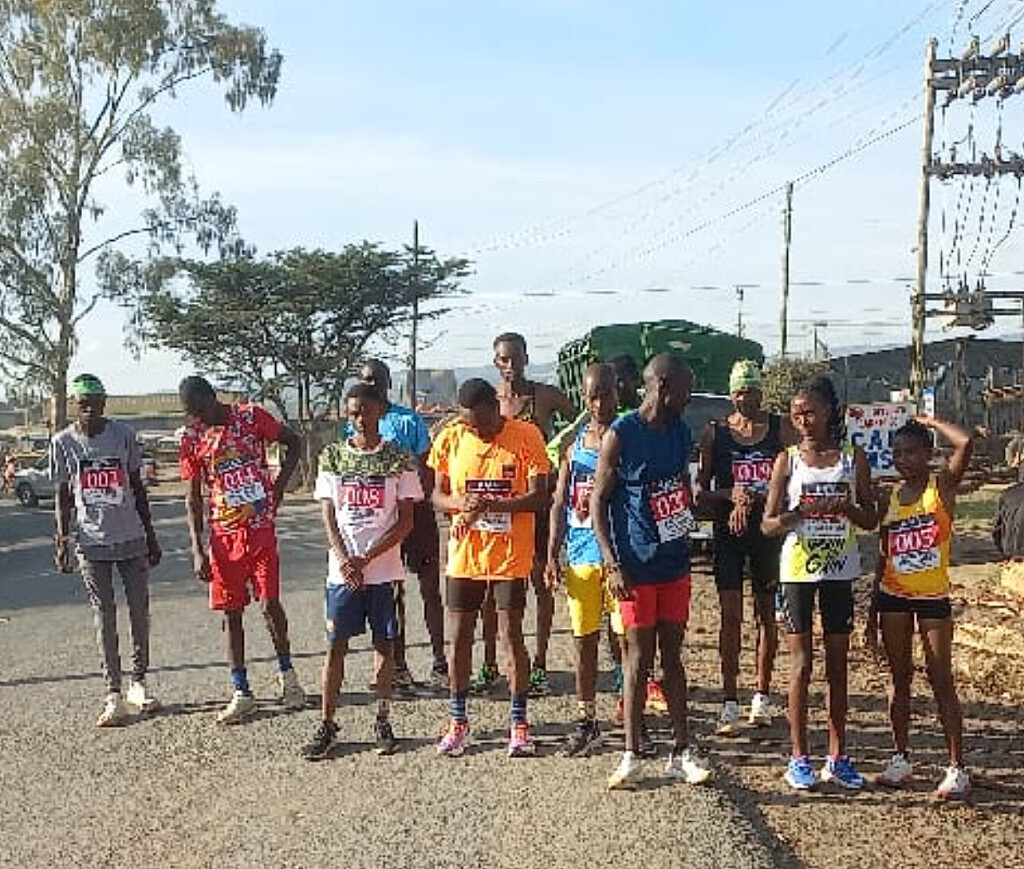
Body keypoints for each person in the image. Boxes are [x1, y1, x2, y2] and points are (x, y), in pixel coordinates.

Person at [592, 354, 712, 790]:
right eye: (686, 388)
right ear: (662, 386)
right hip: (634, 566)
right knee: (638, 659)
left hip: (674, 562)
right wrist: (612, 564)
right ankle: (631, 754)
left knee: (673, 658)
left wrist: (697, 509)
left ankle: (681, 752)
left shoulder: (680, 430)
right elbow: (597, 503)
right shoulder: (621, 434)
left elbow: (679, 488)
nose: (690, 397)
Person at [762, 375, 876, 791]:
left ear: (829, 411)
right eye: (796, 415)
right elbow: (768, 524)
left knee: (838, 665)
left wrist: (846, 507)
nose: (803, 421)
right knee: (801, 664)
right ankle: (798, 758)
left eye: (810, 412)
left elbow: (871, 518)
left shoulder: (852, 458)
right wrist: (803, 513)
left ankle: (838, 755)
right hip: (798, 571)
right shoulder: (788, 460)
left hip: (839, 571)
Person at [428, 378, 550, 757]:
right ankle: (458, 720)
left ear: (495, 408)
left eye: (480, 422)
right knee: (459, 637)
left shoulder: (526, 435)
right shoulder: (451, 437)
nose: (475, 430)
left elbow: (540, 496)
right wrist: (459, 503)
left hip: (510, 554)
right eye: (468, 423)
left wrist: (492, 506)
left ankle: (519, 723)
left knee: (511, 634)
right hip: (465, 553)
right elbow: (436, 494)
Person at [302, 383, 423, 760]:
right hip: (342, 574)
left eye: (366, 411)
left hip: (383, 572)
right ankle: (327, 723)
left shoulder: (399, 458)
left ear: (380, 411)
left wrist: (366, 558)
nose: (359, 419)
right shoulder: (332, 457)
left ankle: (382, 718)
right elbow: (329, 515)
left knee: (384, 645)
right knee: (335, 647)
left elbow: (405, 521)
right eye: (353, 412)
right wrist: (345, 559)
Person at [178, 375, 306, 724]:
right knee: (231, 612)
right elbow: (193, 497)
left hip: (260, 529)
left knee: (269, 603)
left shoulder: (251, 416)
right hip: (223, 536)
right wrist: (197, 548)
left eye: (198, 409)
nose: (196, 417)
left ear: (211, 397)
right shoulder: (192, 437)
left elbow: (293, 443)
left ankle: (289, 677)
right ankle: (241, 691)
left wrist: (278, 488)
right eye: (190, 412)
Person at [866, 416, 972, 800]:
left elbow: (965, 443)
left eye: (911, 452)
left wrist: (929, 419)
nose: (903, 459)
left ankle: (956, 767)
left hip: (932, 599)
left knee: (941, 679)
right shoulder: (890, 497)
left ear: (928, 454)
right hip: (893, 597)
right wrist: (871, 612)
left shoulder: (940, 487)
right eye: (896, 453)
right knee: (899, 678)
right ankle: (900, 758)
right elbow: (883, 554)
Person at [51, 373, 163, 726]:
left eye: (95, 403)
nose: (89, 410)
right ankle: (113, 693)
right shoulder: (62, 443)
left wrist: (151, 536)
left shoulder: (123, 435)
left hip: (130, 537)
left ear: (104, 404)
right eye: (83, 404)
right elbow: (63, 496)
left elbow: (137, 487)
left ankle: (138, 683)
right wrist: (62, 540)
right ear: (75, 405)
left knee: (139, 612)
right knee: (104, 616)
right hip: (91, 542)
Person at [473, 332, 576, 698]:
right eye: (504, 359)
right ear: (495, 361)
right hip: (499, 507)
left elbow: (580, 423)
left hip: (538, 504)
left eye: (516, 358)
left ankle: (540, 665)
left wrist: (562, 460)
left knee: (541, 582)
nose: (511, 365)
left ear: (526, 358)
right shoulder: (490, 401)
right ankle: (489, 663)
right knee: (491, 588)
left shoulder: (544, 396)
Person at [696, 359, 791, 734]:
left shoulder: (779, 429)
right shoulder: (716, 433)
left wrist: (759, 498)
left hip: (766, 533)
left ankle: (762, 696)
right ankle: (729, 700)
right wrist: (730, 494)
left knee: (766, 614)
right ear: (730, 394)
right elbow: (700, 494)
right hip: (729, 532)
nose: (745, 400)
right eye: (738, 392)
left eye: (751, 392)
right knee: (730, 614)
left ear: (761, 393)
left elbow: (793, 481)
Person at [354, 359, 446, 690]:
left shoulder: (408, 420)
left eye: (378, 379)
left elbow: (427, 467)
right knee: (392, 593)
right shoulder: (354, 426)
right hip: (382, 522)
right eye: (366, 379)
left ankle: (440, 663)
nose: (373, 385)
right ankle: (399, 666)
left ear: (388, 383)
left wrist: (415, 501)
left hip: (416, 515)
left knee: (429, 588)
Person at [545, 363, 618, 756]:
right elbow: (559, 502)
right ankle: (587, 720)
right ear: (584, 398)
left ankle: (631, 713)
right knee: (584, 641)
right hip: (580, 556)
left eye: (606, 394)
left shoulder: (627, 438)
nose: (600, 404)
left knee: (627, 642)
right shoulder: (573, 446)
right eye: (593, 396)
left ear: (617, 394)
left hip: (620, 559)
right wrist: (551, 554)